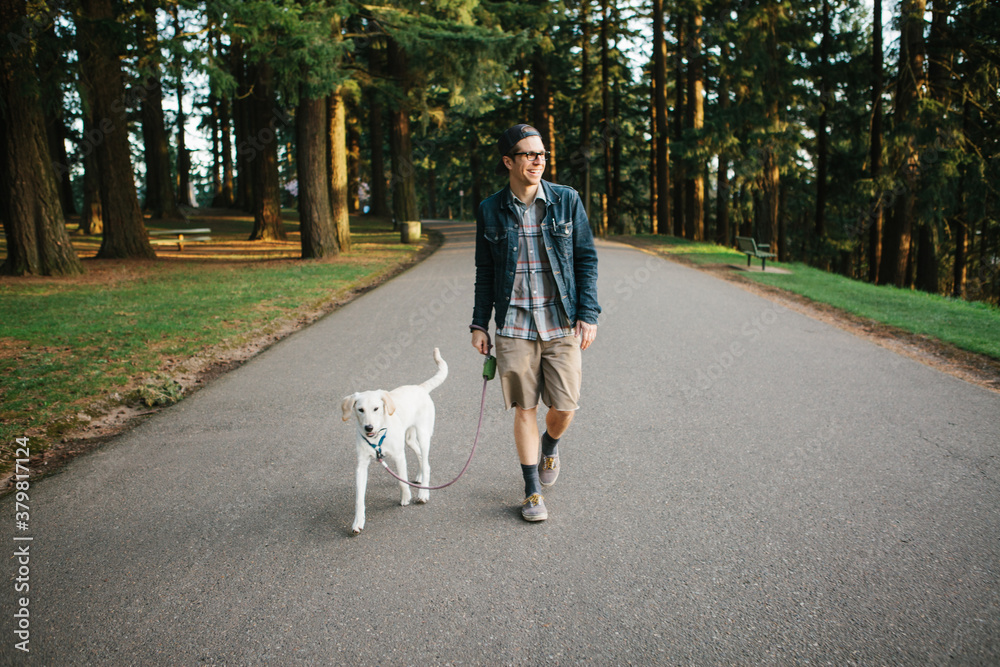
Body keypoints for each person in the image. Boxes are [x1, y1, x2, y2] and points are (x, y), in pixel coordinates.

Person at [470, 123, 601, 522]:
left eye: (542, 153)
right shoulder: (490, 209)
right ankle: (531, 491)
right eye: (528, 154)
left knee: (565, 406)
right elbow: (485, 272)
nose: (538, 160)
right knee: (524, 407)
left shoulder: (566, 200)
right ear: (509, 161)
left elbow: (585, 259)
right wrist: (480, 323)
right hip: (514, 325)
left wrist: (588, 314)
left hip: (560, 321)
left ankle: (550, 443)